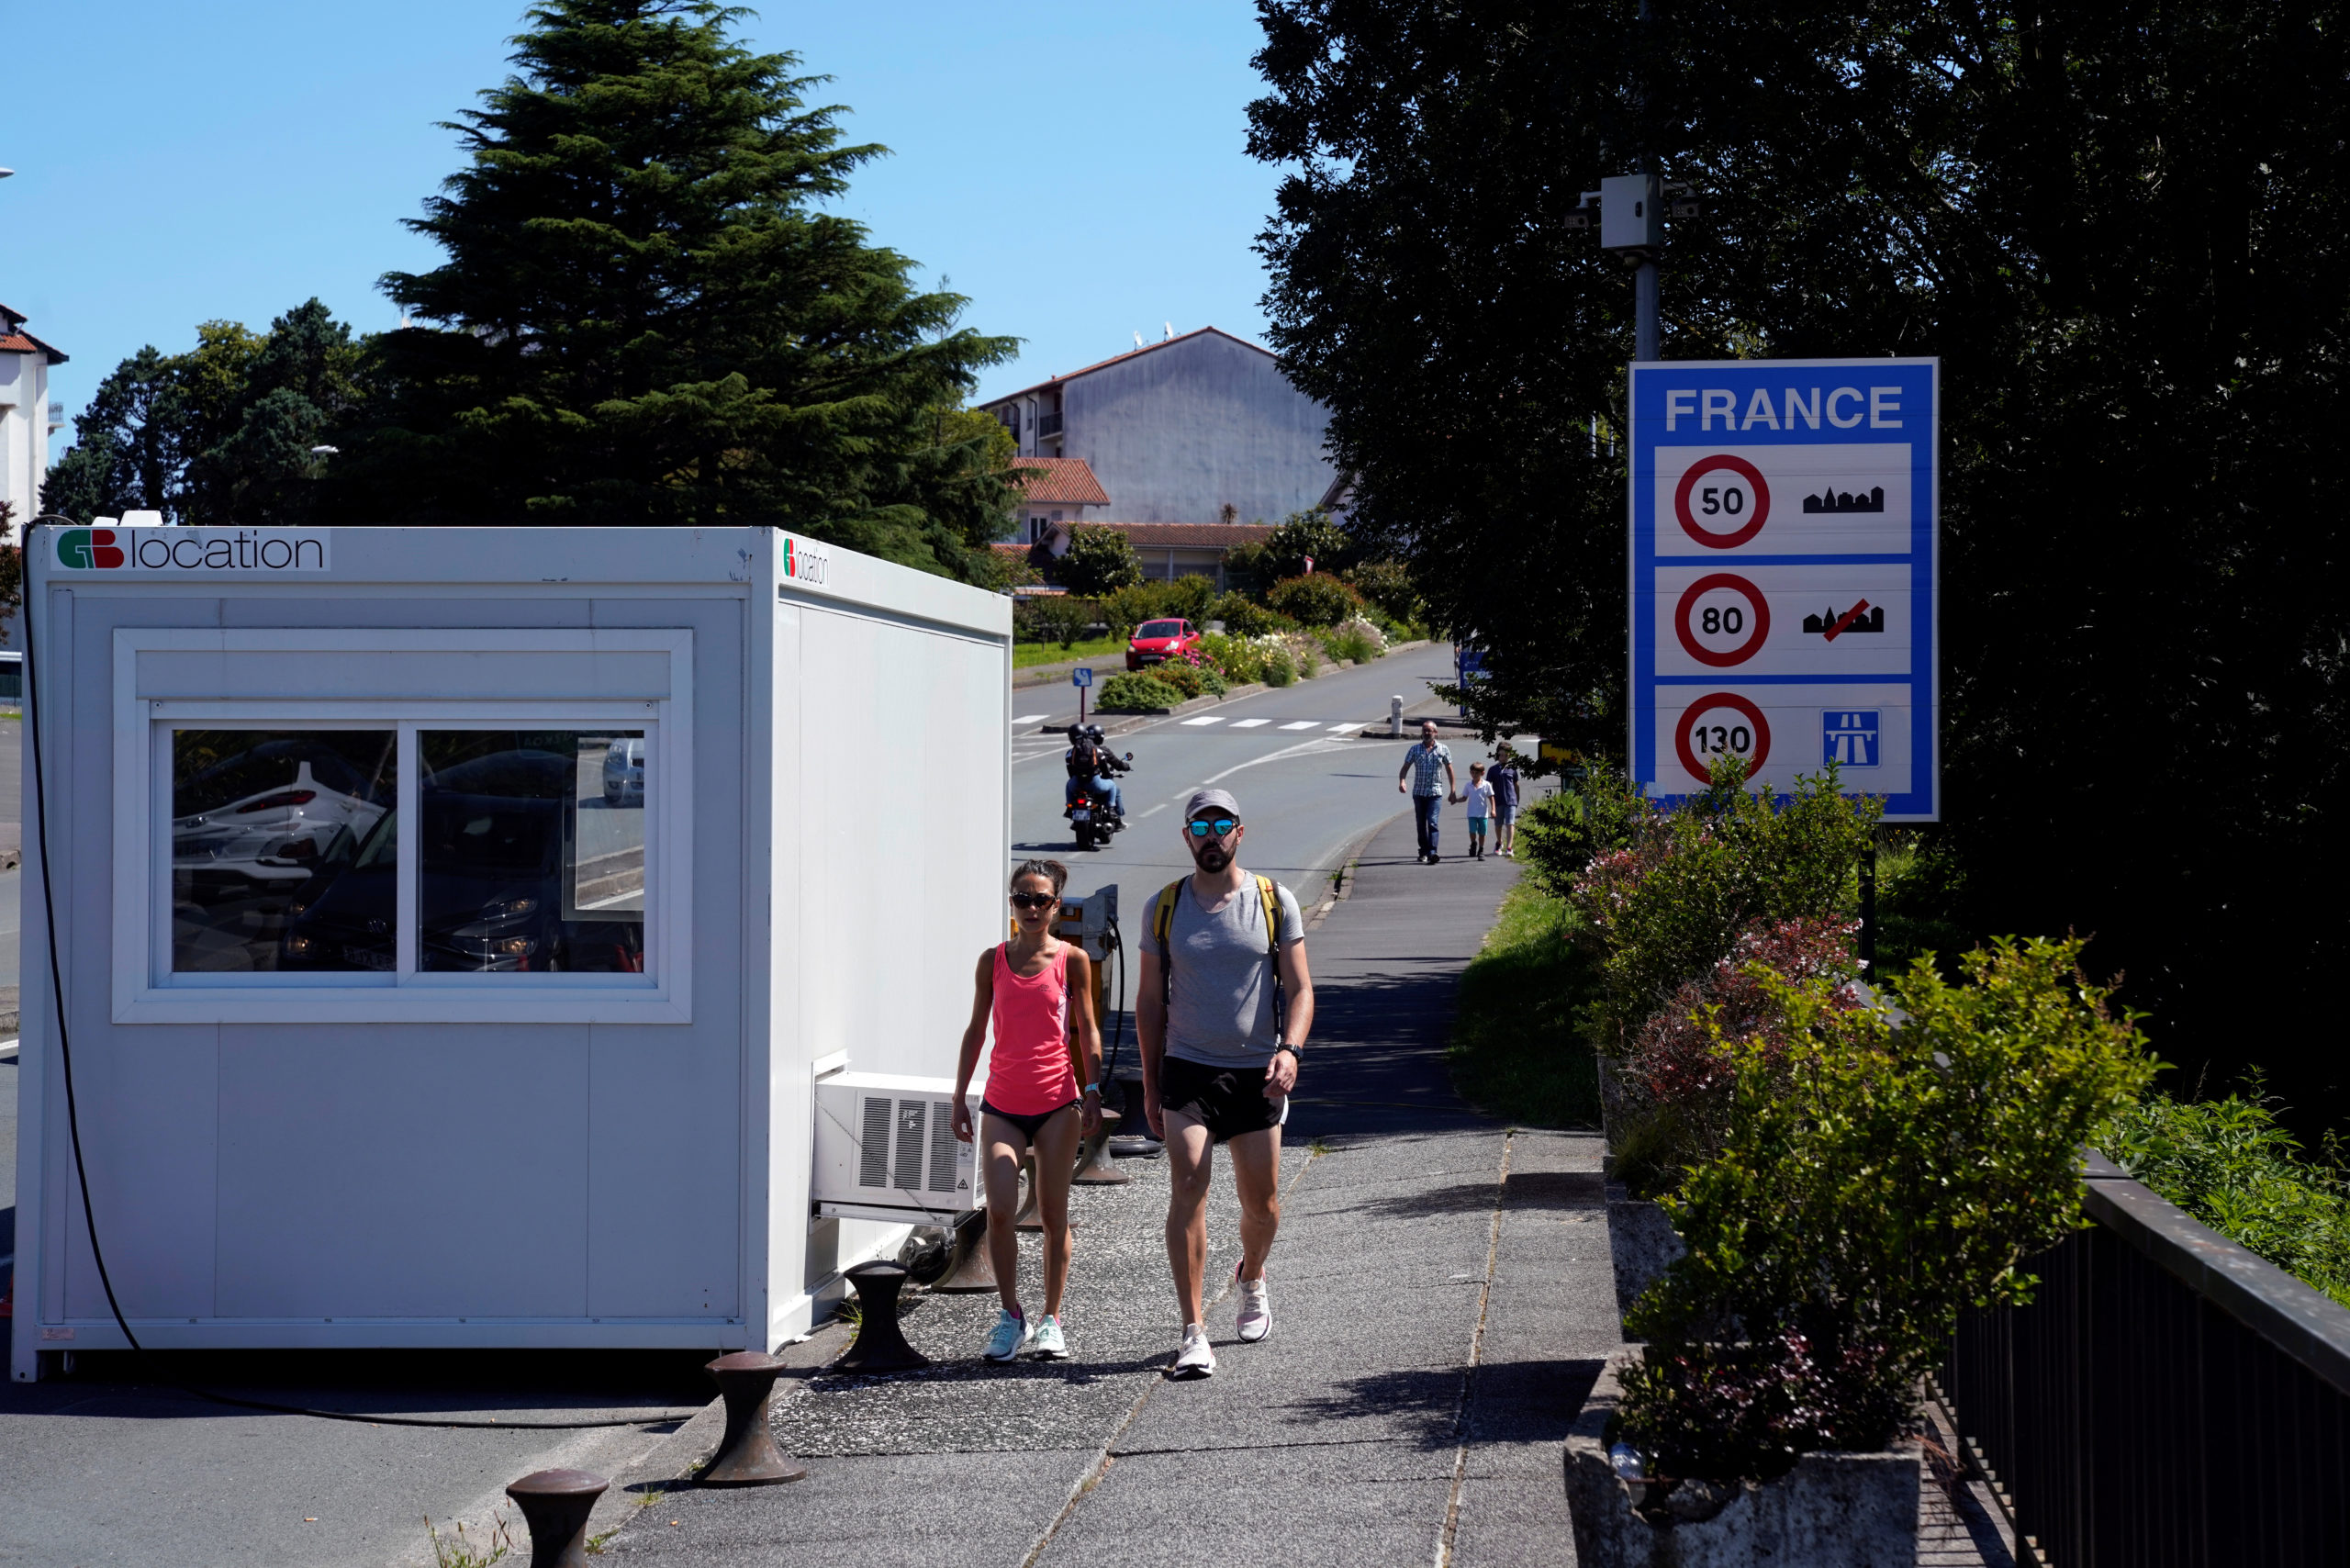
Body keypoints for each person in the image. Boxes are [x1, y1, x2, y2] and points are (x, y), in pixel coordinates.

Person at [1138, 789, 1315, 1378]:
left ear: (1240, 832)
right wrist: (1149, 1079)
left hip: (1257, 1071)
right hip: (1187, 1069)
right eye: (1200, 825)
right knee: (1188, 1186)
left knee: (1261, 1206)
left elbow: (1301, 988)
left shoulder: (1273, 899)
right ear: (1187, 837)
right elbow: (1146, 1003)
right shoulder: (1163, 908)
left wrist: (1290, 1050)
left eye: (1222, 824)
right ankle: (1192, 1331)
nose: (1211, 835)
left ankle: (1253, 1274)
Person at [951, 858, 1105, 1363]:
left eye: (1042, 900)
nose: (1032, 908)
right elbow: (976, 1031)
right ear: (1011, 903)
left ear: (1056, 906)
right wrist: (959, 1096)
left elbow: (1085, 1026)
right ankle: (1011, 1315)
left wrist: (1094, 1089)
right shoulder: (992, 960)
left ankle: (1052, 1320)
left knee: (1052, 1213)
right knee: (998, 1209)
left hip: (1057, 1102)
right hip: (1002, 1103)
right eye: (1023, 898)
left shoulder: (1072, 960)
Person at [1395, 719, 1460, 864]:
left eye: (1429, 730)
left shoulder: (1443, 749)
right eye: (1424, 730)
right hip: (1419, 793)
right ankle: (1423, 851)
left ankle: (1432, 852)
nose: (1426, 733)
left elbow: (1450, 770)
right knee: (1420, 823)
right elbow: (1405, 767)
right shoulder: (1415, 749)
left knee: (1433, 822)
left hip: (1435, 793)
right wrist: (1402, 781)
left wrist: (1453, 791)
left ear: (1435, 733)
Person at [1064, 723, 1126, 818]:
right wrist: (1107, 776)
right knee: (1112, 785)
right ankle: (1111, 810)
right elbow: (1106, 771)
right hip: (1094, 783)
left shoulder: (1070, 753)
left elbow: (1071, 773)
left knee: (1069, 784)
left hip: (1077, 784)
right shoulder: (1098, 750)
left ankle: (1069, 809)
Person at [1490, 746, 1522, 859]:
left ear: (1509, 756)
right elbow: (1488, 786)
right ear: (1498, 756)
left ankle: (1509, 847)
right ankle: (1499, 842)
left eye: (1506, 755)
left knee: (1510, 823)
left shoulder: (1512, 769)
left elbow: (1516, 785)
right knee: (1498, 825)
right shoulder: (1493, 770)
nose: (1503, 758)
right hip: (1498, 801)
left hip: (1510, 801)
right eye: (1501, 755)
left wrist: (1517, 798)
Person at [1464, 762, 1494, 860]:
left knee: (1482, 833)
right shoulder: (1468, 785)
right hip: (1472, 813)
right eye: (1472, 773)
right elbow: (1464, 797)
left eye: (1476, 773)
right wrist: (1455, 799)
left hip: (1483, 814)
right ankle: (1473, 843)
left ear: (1482, 773)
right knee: (1472, 831)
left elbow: (1491, 797)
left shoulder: (1486, 785)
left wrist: (1493, 809)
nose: (1474, 775)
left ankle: (1481, 850)